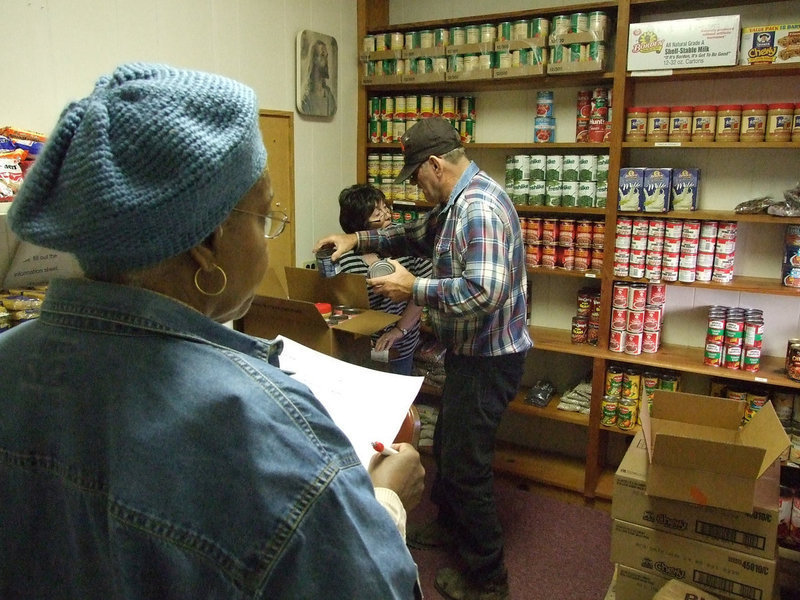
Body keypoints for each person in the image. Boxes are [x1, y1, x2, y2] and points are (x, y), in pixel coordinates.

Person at [0, 63, 425, 599]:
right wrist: (386, 502)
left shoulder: (8, 362)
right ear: (208, 244)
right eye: (265, 217)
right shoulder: (262, 425)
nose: (270, 239)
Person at [314, 116, 533, 600]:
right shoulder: (454, 204)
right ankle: (452, 526)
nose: (415, 185)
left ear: (435, 164)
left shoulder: (477, 208)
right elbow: (414, 235)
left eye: (416, 176)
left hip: (489, 357)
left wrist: (416, 288)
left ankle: (489, 580)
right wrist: (358, 240)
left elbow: (485, 292)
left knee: (464, 464)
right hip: (469, 351)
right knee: (451, 444)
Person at [336, 183, 432, 375]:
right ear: (359, 224)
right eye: (377, 213)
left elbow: (422, 291)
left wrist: (399, 331)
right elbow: (340, 303)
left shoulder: (406, 242)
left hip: (400, 344)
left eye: (385, 207)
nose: (387, 215)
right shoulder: (344, 257)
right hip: (360, 346)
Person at [300, 38, 336, 116]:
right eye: (322, 55)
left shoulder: (329, 96)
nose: (326, 61)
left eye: (326, 56)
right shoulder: (306, 98)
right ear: (314, 59)